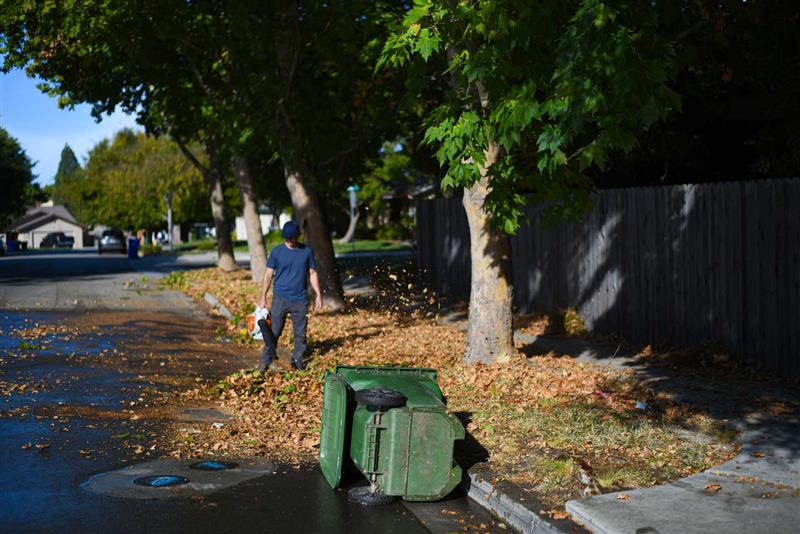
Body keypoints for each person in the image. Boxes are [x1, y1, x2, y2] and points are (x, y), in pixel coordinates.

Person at [256, 220, 323, 371]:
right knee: (273, 332)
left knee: (300, 335)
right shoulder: (277, 252)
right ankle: (265, 362)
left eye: (292, 238)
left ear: (297, 236)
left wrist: (318, 294)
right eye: (286, 238)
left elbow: (312, 273)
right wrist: (263, 297)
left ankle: (297, 362)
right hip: (280, 298)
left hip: (300, 300)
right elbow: (268, 275)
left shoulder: (307, 251)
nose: (289, 241)